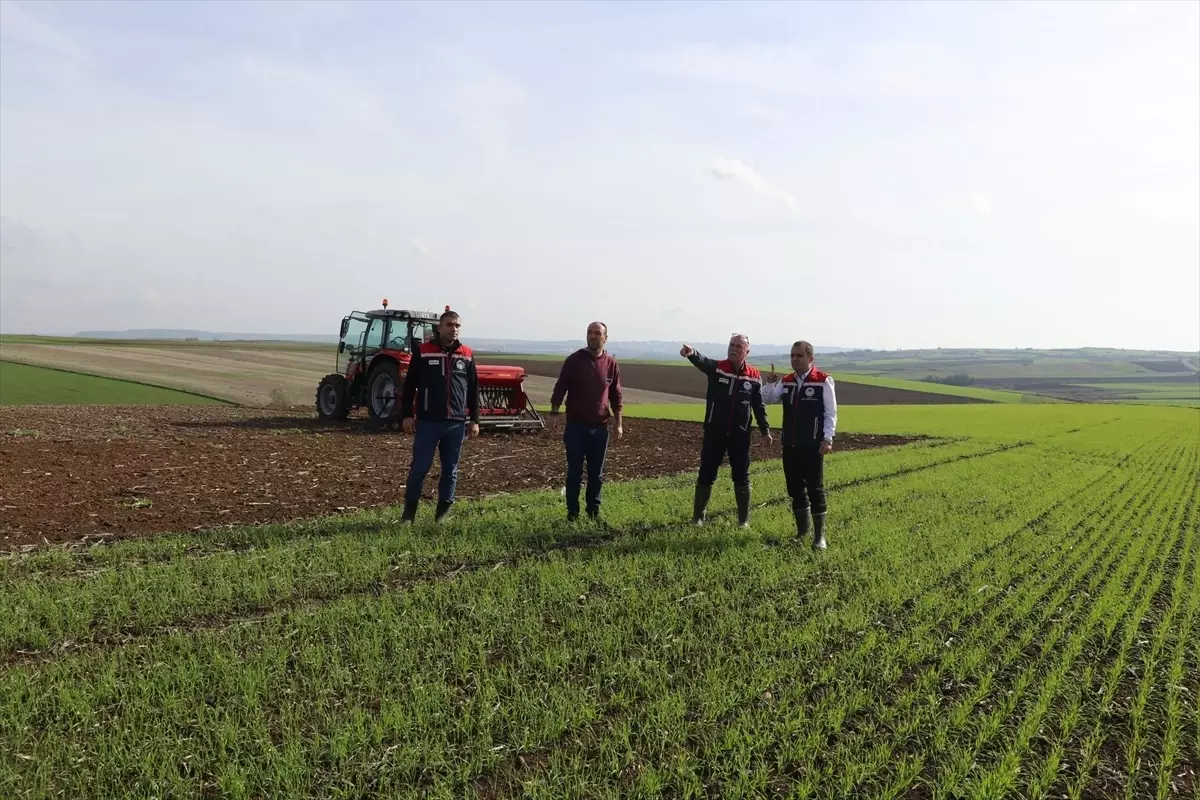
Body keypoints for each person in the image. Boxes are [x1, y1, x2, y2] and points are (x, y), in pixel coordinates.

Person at [680, 333, 772, 527]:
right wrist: (692, 353)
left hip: (741, 435)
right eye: (732, 344)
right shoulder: (718, 368)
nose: (734, 348)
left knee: (741, 476)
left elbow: (758, 406)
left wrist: (765, 431)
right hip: (715, 432)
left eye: (739, 346)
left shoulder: (754, 376)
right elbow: (703, 361)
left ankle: (743, 521)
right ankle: (698, 518)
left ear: (747, 351)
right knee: (707, 473)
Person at [398, 308, 481, 523]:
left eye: (457, 326)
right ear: (439, 327)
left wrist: (475, 420)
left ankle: (441, 517)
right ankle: (408, 517)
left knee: (450, 471)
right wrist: (407, 415)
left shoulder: (467, 354)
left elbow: (473, 389)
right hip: (428, 422)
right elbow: (410, 386)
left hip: (455, 423)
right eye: (449, 325)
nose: (454, 329)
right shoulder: (423, 351)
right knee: (419, 469)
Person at [761, 340, 837, 549]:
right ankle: (802, 532)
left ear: (810, 358)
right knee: (795, 489)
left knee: (815, 489)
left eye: (799, 356)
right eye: (792, 355)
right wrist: (769, 383)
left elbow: (830, 413)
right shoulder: (786, 381)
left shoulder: (823, 381)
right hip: (790, 445)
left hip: (813, 446)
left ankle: (819, 537)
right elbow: (768, 399)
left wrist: (827, 439)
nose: (795, 359)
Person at [549, 321, 624, 522]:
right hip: (576, 427)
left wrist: (618, 424)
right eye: (589, 332)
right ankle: (572, 514)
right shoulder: (574, 360)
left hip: (600, 428)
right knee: (574, 473)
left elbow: (616, 396)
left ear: (605, 338)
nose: (592, 336)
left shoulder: (611, 364)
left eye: (597, 333)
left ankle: (594, 513)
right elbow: (560, 387)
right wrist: (554, 413)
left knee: (596, 475)